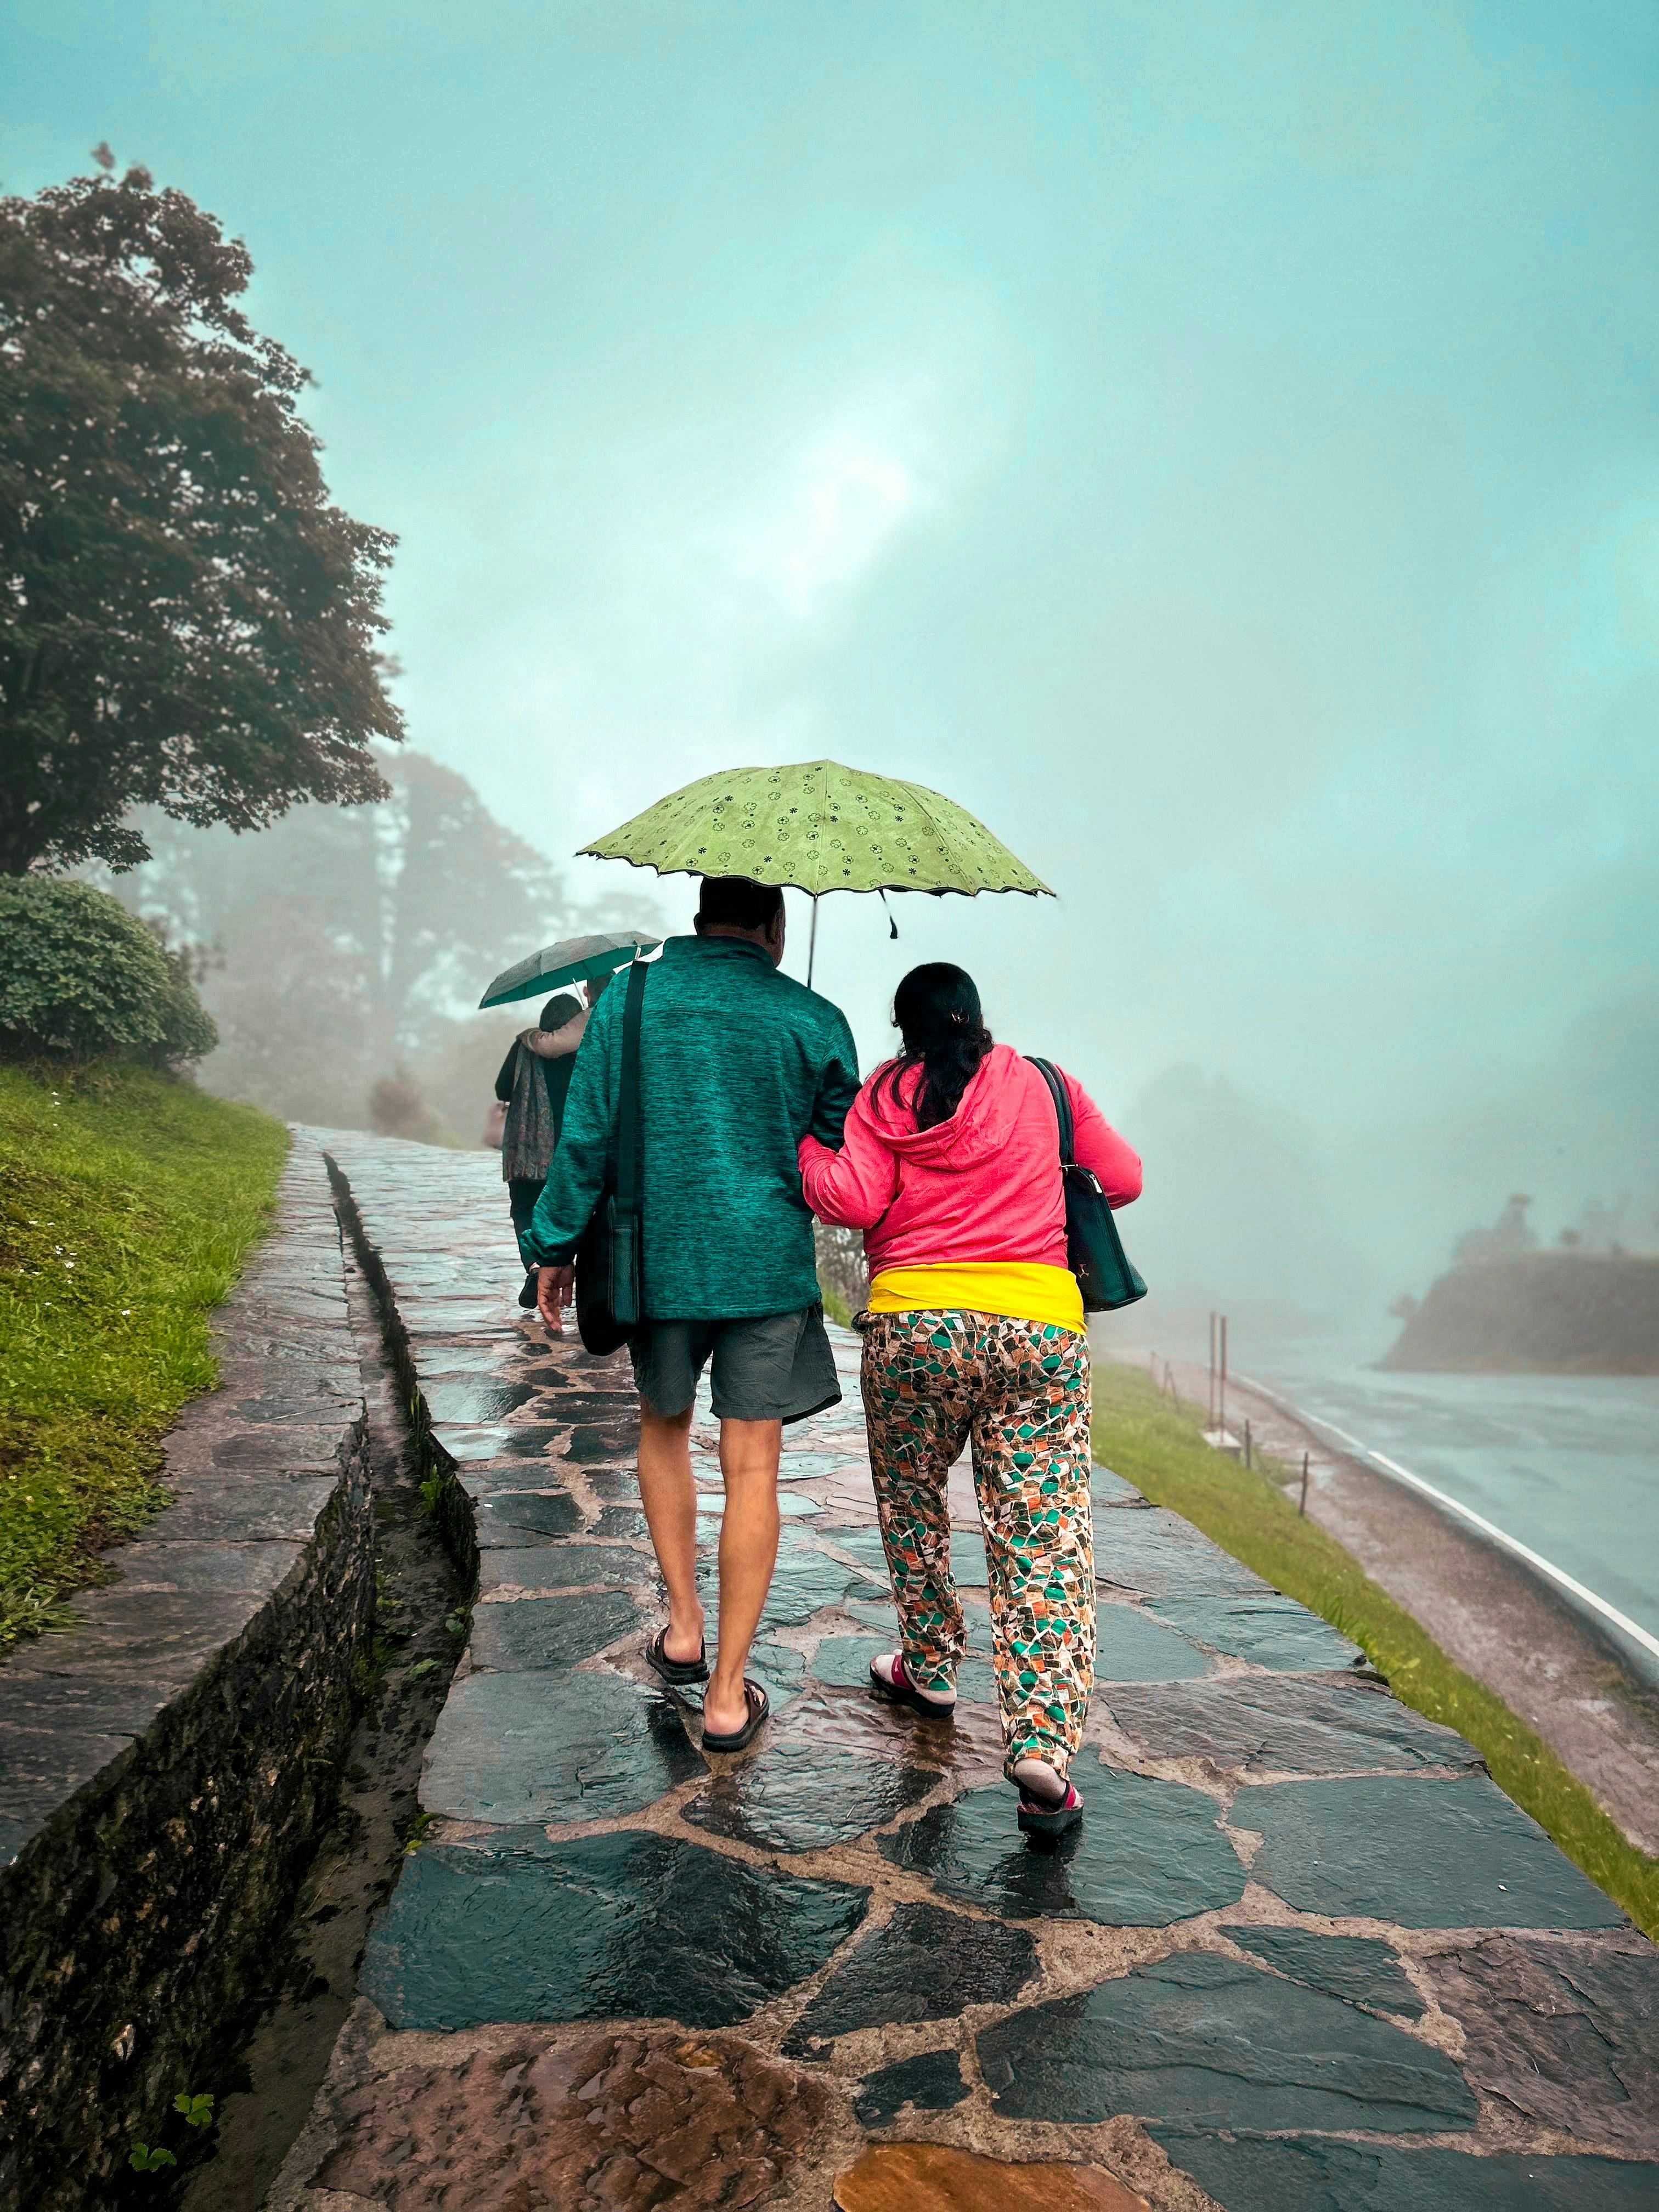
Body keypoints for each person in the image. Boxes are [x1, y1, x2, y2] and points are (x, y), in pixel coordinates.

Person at [797, 962, 1141, 1837]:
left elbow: (851, 1199)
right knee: (1042, 1536)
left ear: (903, 1028)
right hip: (1039, 1334)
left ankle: (929, 1664)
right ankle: (1043, 1745)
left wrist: (807, 1144)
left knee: (913, 1508)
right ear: (978, 1018)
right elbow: (1125, 1178)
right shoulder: (1046, 1084)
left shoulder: (885, 1095)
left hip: (917, 1330)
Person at [525, 877, 859, 1753]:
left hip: (657, 1264)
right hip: (765, 1271)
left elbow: (587, 1133)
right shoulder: (815, 1019)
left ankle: (681, 1627)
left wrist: (553, 1243)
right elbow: (836, 1157)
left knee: (662, 1428)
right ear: (775, 924)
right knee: (753, 1469)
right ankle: (723, 1697)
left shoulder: (630, 997)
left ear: (700, 913)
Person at [495, 991, 587, 1306]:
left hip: (526, 1150)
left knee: (524, 1210)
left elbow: (501, 1089)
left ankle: (535, 1267)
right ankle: (570, 1275)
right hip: (569, 1150)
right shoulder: (587, 1049)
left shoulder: (524, 1045)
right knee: (573, 1214)